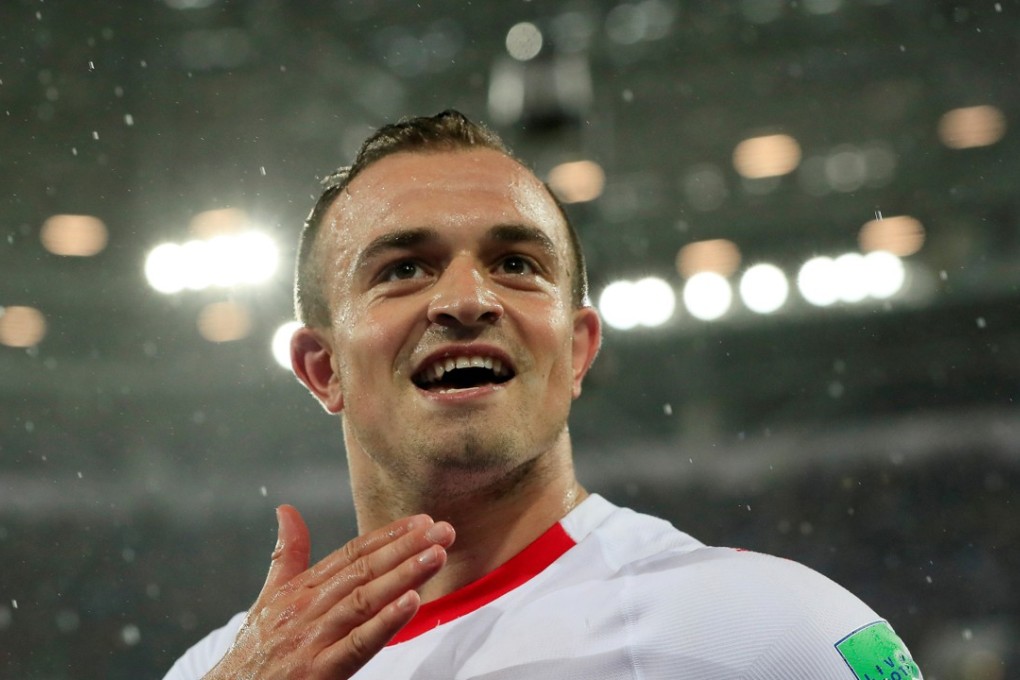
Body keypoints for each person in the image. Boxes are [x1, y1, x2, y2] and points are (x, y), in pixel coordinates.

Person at [163, 110, 923, 679]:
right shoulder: (216, 670)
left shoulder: (770, 635)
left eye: (516, 264)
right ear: (321, 367)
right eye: (403, 269)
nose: (466, 299)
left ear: (579, 349)